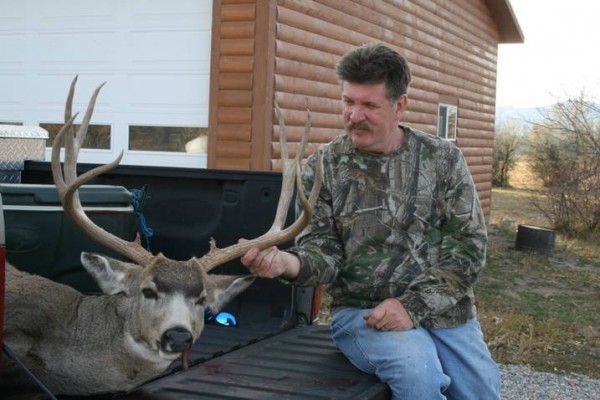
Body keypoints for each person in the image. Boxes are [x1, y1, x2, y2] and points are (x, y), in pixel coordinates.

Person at [241, 43, 500, 400]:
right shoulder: (324, 166)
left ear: (400, 106)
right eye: (348, 102)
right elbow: (324, 254)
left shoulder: (443, 160)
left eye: (369, 105)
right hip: (364, 316)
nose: (354, 115)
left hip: (444, 312)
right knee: (419, 377)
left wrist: (413, 308)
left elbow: (468, 247)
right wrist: (287, 263)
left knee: (480, 394)